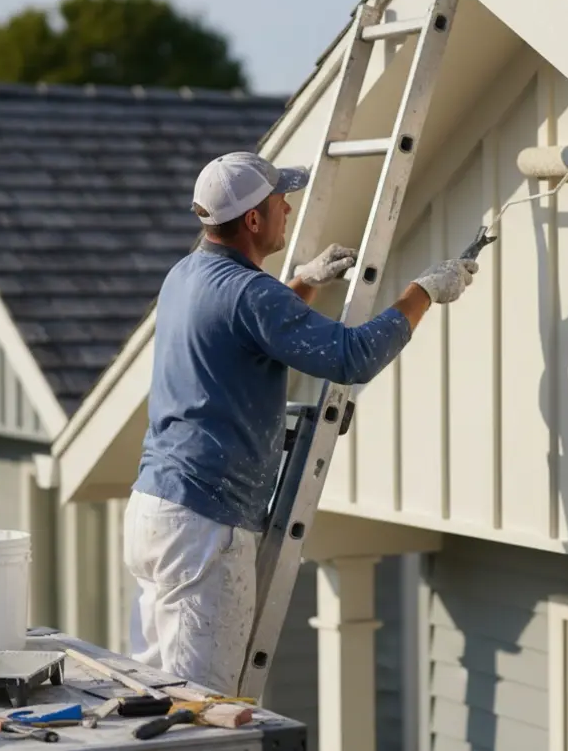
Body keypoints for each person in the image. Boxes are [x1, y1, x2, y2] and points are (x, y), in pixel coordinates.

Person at [123, 151, 479, 695]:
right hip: (203, 526)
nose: (288, 207)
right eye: (279, 201)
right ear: (253, 220)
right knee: (200, 709)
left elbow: (240, 328)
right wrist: (424, 292)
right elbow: (352, 357)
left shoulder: (185, 275)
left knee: (152, 693)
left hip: (155, 510)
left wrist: (304, 282)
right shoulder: (251, 293)